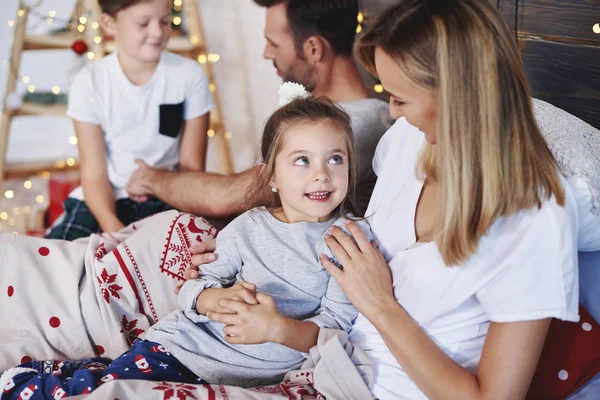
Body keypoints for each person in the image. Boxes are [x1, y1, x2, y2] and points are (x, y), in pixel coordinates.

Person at [204, 0, 580, 398]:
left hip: (372, 388)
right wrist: (251, 244)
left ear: (457, 94)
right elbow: (341, 232)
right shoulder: (405, 141)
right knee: (169, 234)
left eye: (401, 97)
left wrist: (382, 306)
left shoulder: (533, 220)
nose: (393, 112)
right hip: (320, 362)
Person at [2, 91, 372, 398]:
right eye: (302, 161)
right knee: (95, 392)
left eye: (335, 159)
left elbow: (336, 328)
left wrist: (277, 329)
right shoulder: (250, 227)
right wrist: (212, 298)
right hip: (183, 347)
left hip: (238, 373)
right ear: (271, 176)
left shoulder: (348, 240)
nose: (322, 173)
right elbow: (195, 286)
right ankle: (26, 381)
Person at [125, 0, 392, 218]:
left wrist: (151, 178)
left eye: (274, 43)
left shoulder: (352, 126)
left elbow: (226, 197)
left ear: (313, 48)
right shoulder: (342, 116)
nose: (266, 53)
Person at [46, 0, 214, 241]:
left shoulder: (189, 76)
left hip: (168, 195)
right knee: (60, 258)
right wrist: (113, 227)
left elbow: (193, 170)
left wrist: (156, 182)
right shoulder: (90, 83)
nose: (158, 31)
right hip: (104, 200)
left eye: (165, 21)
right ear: (109, 23)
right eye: (143, 23)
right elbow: (94, 174)